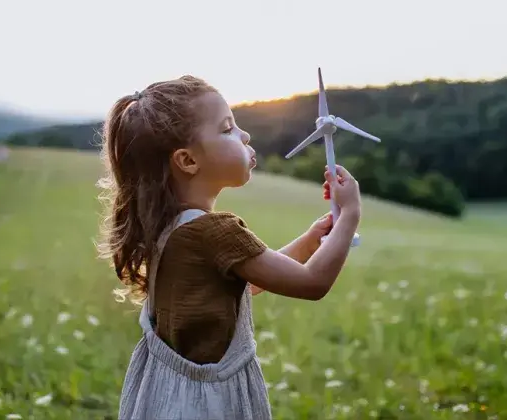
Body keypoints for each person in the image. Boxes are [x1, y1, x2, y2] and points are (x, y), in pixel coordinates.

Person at [96, 75, 361, 420]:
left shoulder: (170, 226)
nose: (245, 135)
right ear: (188, 161)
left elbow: (247, 283)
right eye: (227, 129)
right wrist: (350, 216)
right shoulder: (215, 231)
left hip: (167, 396)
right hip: (208, 404)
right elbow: (311, 283)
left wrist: (311, 240)